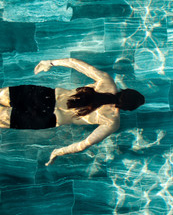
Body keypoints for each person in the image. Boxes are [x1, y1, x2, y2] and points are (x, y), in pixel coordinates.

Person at [0, 58, 145, 166]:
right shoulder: (112, 122)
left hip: (44, 97)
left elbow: (74, 62)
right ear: (126, 108)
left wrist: (50, 63)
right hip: (45, 118)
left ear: (126, 91)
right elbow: (84, 144)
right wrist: (58, 152)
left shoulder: (106, 81)